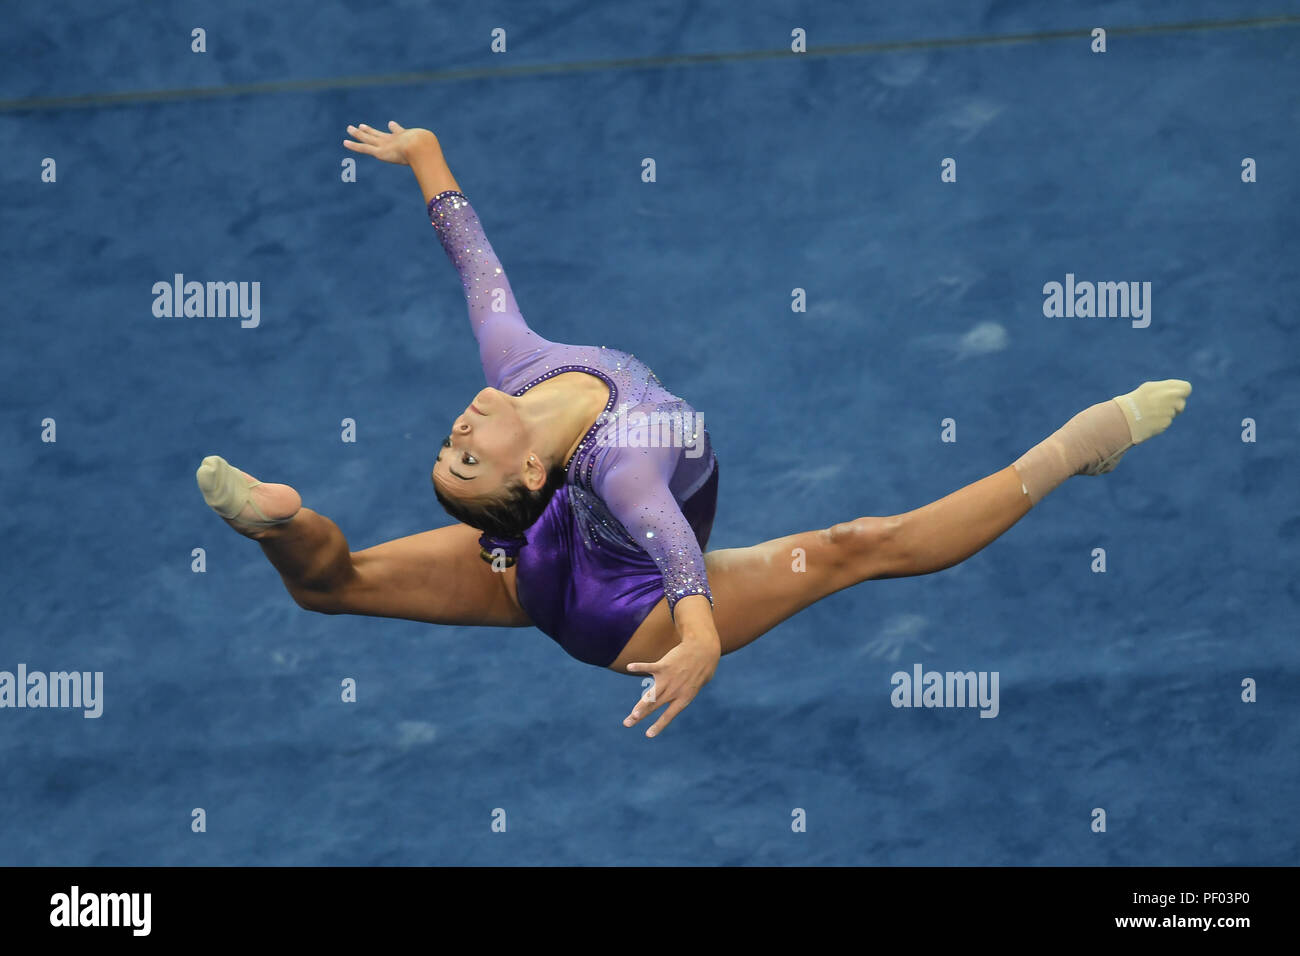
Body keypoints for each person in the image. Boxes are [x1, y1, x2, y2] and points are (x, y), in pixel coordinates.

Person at [197, 121, 1192, 739]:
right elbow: (678, 554)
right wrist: (698, 639)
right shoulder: (623, 465)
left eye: (447, 448)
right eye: (465, 454)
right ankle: (1078, 444)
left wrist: (427, 159)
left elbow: (475, 264)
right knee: (858, 549)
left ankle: (279, 526)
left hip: (547, 556)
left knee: (335, 586)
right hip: (620, 611)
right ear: (527, 472)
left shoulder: (517, 366)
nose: (455, 426)